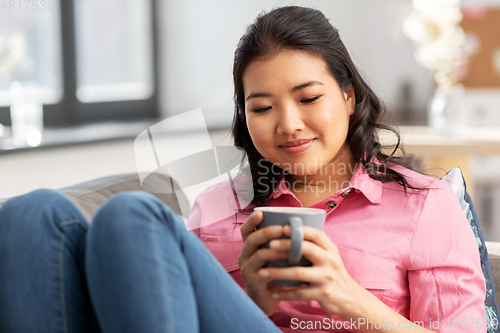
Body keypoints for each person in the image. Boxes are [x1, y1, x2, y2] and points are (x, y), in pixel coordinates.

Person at [0, 5, 486, 333]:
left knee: (132, 216)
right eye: (262, 107)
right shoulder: (218, 206)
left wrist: (351, 300)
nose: (289, 125)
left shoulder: (423, 207)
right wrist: (257, 299)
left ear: (348, 93)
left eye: (308, 97)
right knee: (30, 215)